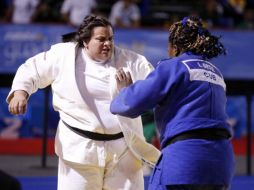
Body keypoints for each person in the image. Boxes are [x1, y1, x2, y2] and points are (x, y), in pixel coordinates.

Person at [6, 15, 160, 190]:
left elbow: (155, 88)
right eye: (101, 39)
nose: (108, 44)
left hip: (123, 149)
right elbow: (31, 70)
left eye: (110, 39)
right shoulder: (63, 56)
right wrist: (20, 92)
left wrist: (130, 91)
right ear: (85, 41)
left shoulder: (132, 61)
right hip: (79, 149)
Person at [110, 16, 235, 190]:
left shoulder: (174, 66)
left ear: (175, 47)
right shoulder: (216, 73)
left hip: (185, 158)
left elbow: (131, 104)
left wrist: (124, 91)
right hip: (221, 162)